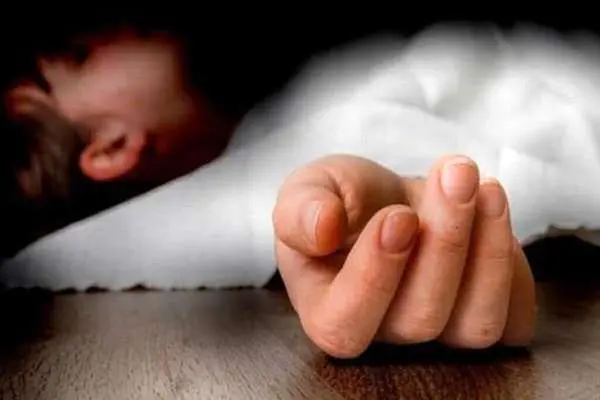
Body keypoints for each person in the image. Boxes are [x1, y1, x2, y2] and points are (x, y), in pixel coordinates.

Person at [9, 19, 600, 357]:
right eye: (79, 57)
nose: (107, 31)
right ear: (111, 147)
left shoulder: (280, 100)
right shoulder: (260, 194)